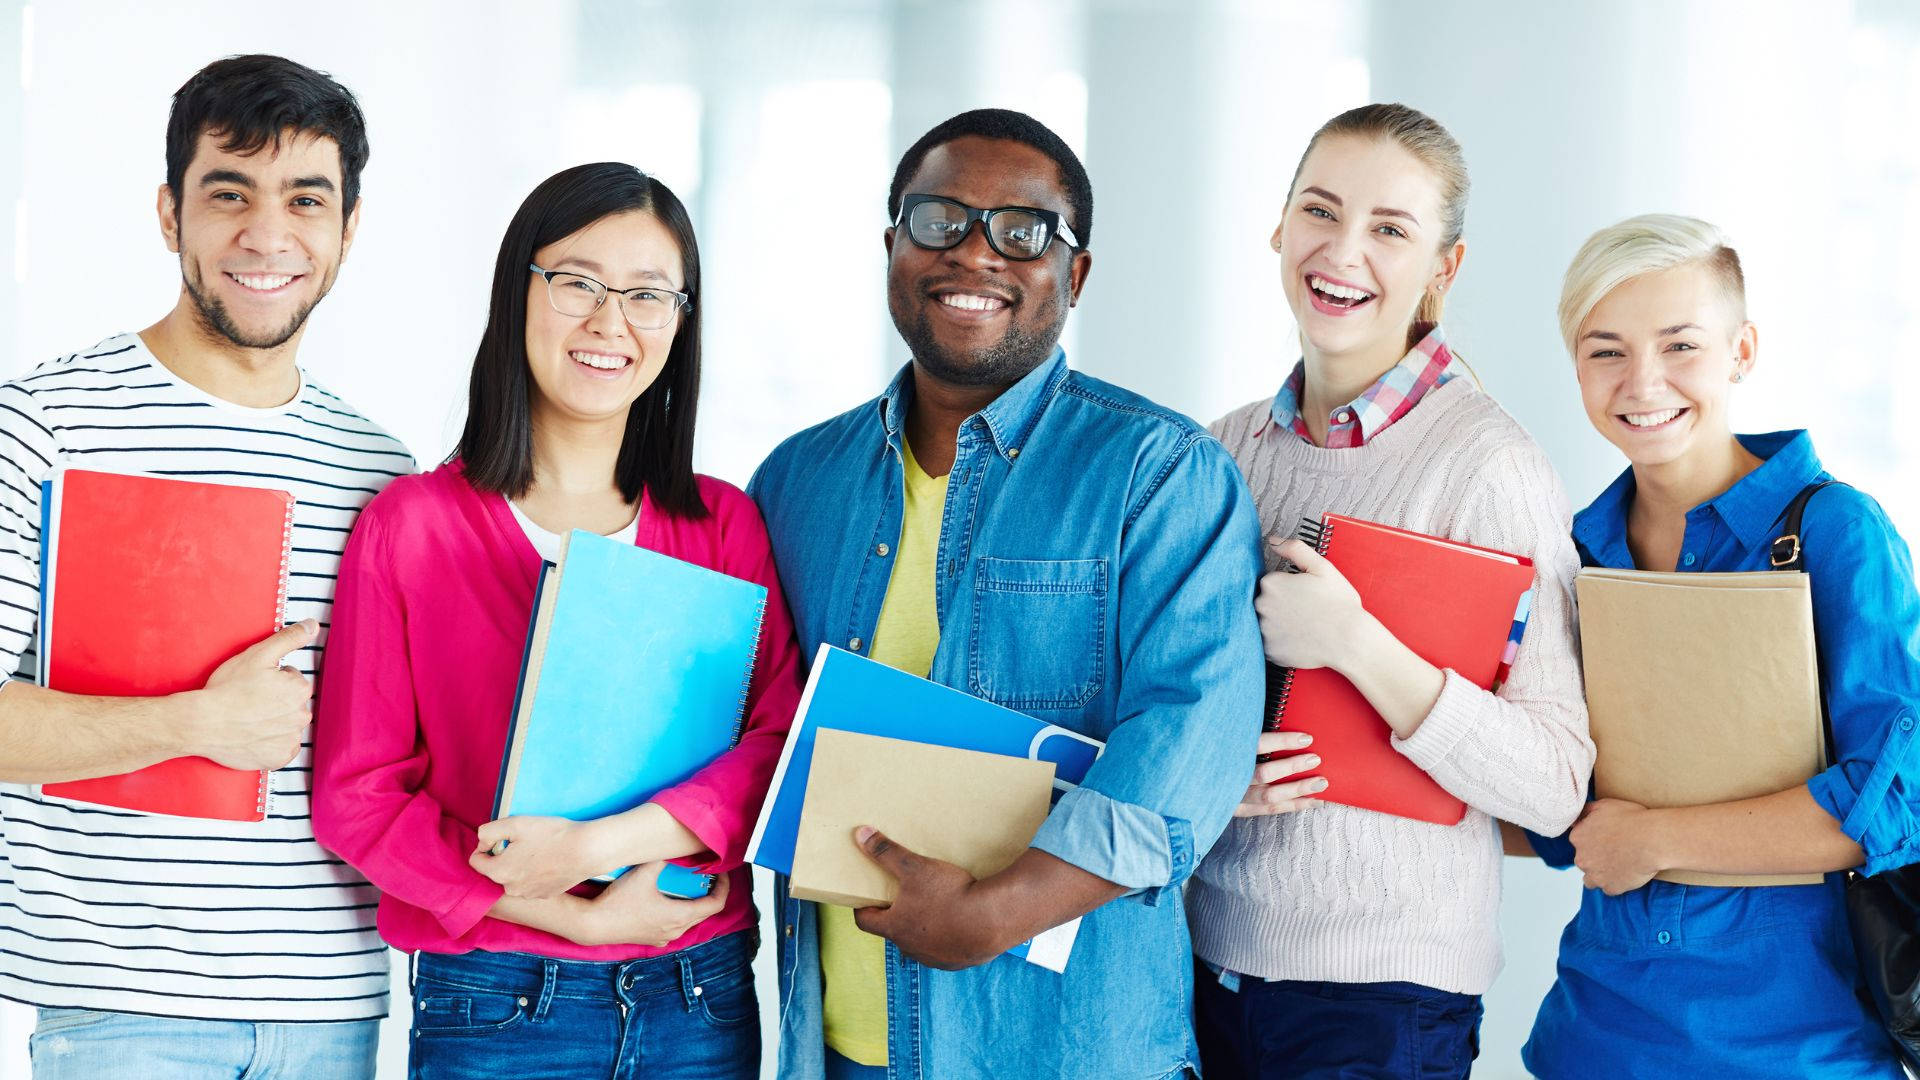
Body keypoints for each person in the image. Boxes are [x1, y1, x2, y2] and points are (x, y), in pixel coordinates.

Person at [748, 107, 1265, 1080]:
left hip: (1067, 1052)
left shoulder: (1158, 473)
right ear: (892, 245)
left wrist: (996, 913)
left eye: (1023, 231)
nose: (975, 252)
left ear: (1076, 272)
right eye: (939, 219)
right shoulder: (794, 482)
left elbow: (1190, 739)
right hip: (839, 1051)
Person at [310, 162, 801, 1080]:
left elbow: (777, 746)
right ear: (517, 293)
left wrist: (596, 849)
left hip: (699, 996)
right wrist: (570, 908)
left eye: (647, 295)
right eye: (576, 283)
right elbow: (359, 796)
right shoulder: (411, 526)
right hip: (496, 999)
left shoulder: (724, 524)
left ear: (680, 321)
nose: (610, 323)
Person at [0, 54, 410, 1078]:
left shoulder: (384, 473)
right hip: (119, 1014)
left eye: (304, 199)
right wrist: (196, 724)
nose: (266, 236)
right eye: (229, 193)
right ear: (168, 214)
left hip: (332, 1010)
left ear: (348, 231)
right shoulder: (47, 425)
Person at [1185, 103, 1592, 1079]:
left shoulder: (1490, 466)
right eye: (1320, 212)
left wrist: (1355, 644)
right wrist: (1209, 786)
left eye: (1391, 229)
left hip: (1380, 1005)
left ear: (1441, 271)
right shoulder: (1224, 450)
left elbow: (1552, 783)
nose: (1343, 250)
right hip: (1201, 965)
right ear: (1279, 227)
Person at [1518, 213, 1918, 1078]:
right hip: (1596, 1041)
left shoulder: (1836, 533)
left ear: (1742, 352)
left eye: (1680, 345)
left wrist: (1657, 838)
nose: (1642, 380)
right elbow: (1563, 816)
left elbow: (1894, 804)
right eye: (1606, 349)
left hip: (1800, 1050)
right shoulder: (1572, 554)